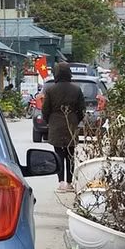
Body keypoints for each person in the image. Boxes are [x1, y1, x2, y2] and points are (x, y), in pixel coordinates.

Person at [42, 62, 85, 192]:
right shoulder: (76, 89)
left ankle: (61, 183)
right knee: (71, 155)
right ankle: (70, 183)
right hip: (71, 123)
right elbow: (81, 109)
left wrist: (49, 121)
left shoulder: (50, 90)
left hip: (55, 123)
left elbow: (45, 110)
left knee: (58, 154)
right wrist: (76, 120)